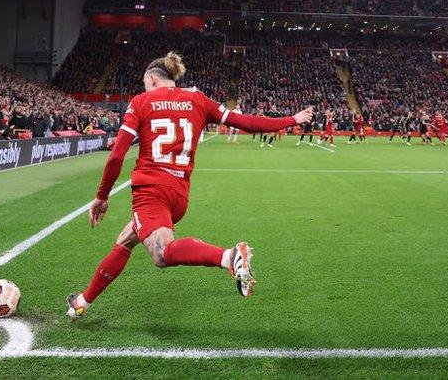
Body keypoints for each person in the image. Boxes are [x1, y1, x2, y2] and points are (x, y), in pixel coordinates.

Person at [66, 52, 312, 319]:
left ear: (151, 79)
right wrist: (291, 120)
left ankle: (230, 257)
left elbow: (116, 155)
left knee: (161, 254)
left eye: (145, 83)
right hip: (179, 195)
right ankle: (82, 302)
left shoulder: (140, 102)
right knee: (126, 239)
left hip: (151, 191)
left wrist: (102, 196)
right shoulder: (198, 99)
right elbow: (246, 123)